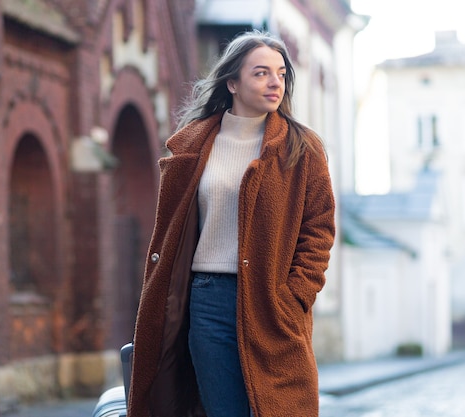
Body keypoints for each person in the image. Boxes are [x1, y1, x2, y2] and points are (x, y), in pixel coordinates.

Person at [127, 30, 336, 417]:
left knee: (280, 408)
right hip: (206, 299)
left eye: (281, 73)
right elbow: (171, 231)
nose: (275, 82)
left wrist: (295, 296)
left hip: (271, 301)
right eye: (261, 73)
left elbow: (319, 230)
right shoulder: (191, 146)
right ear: (233, 83)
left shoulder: (302, 148)